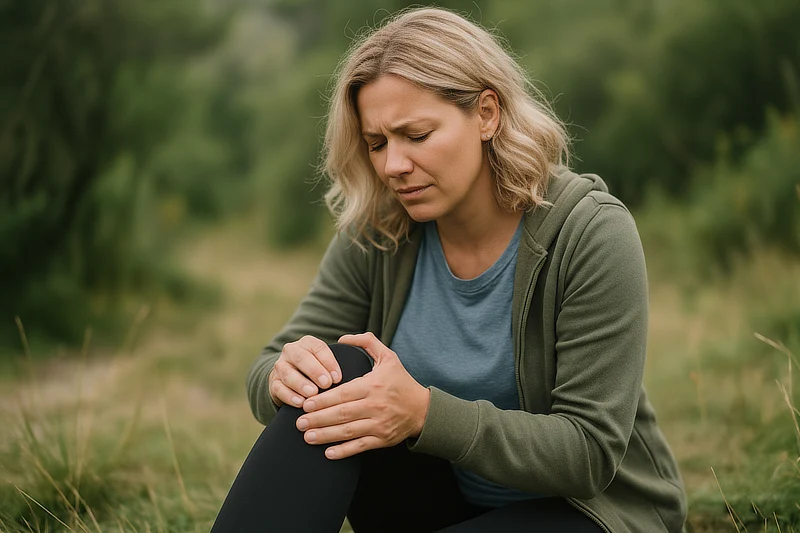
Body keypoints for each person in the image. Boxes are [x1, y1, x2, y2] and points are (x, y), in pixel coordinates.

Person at [211, 7, 687, 533]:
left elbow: (589, 453)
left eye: (415, 135)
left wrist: (423, 414)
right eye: (377, 143)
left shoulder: (590, 231)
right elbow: (267, 367)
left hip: (588, 511)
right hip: (441, 502)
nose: (393, 165)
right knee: (336, 373)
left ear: (487, 114)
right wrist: (285, 376)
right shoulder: (380, 232)